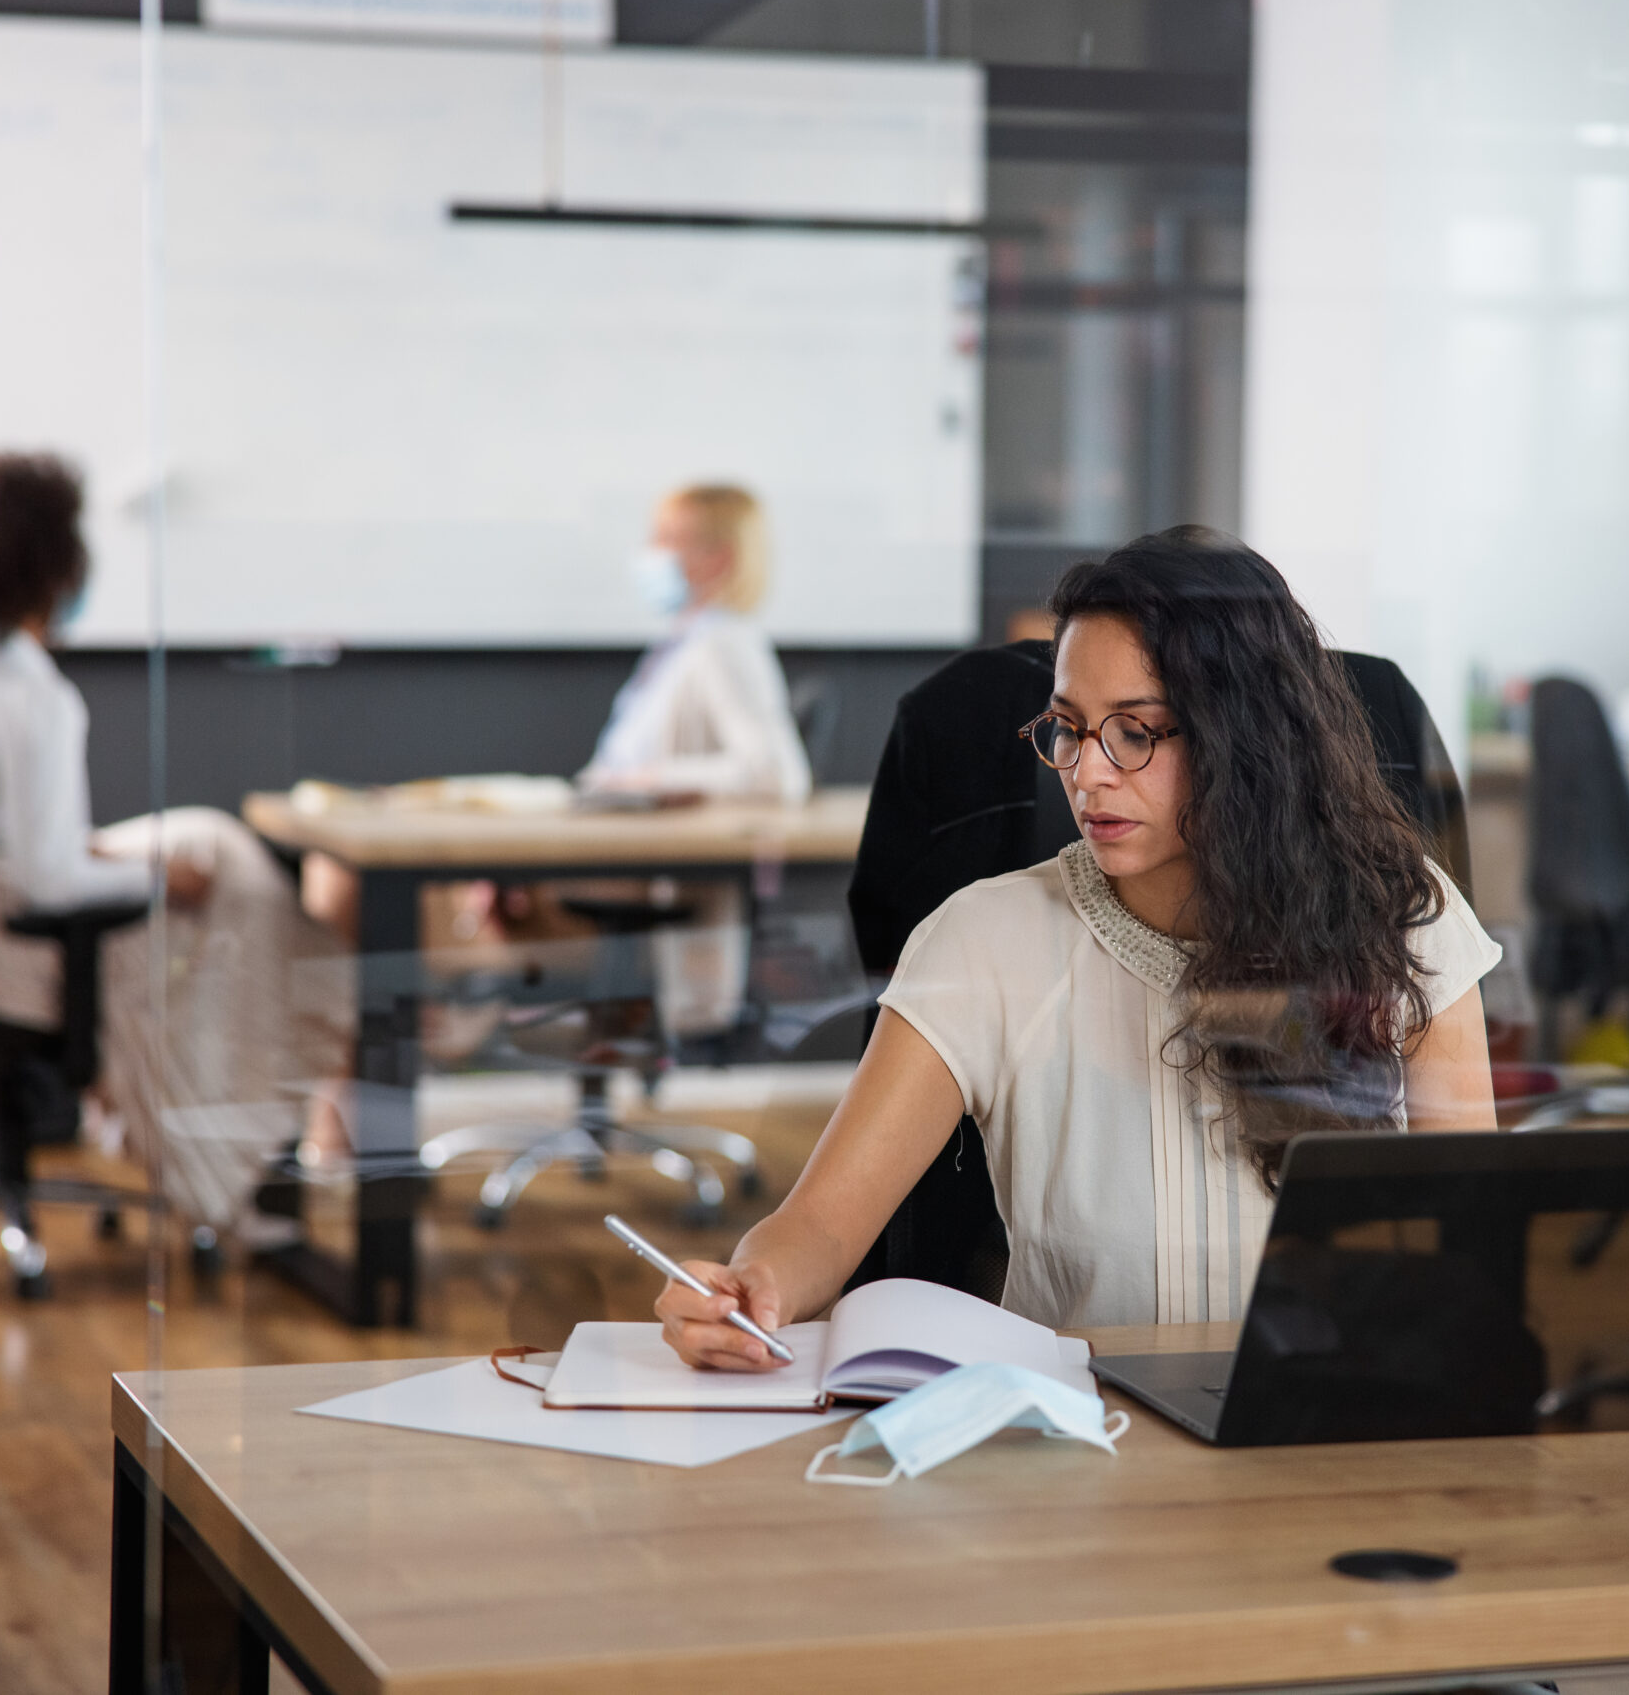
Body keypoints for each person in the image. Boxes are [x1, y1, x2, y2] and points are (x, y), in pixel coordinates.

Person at [659, 528, 1503, 1365]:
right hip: (1080, 1444)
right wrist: (755, 1283)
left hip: (1320, 1430)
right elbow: (819, 1226)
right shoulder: (984, 941)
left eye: (1136, 732)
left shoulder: (1403, 921)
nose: (1087, 773)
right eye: (1069, 728)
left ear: (1248, 740)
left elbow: (1475, 1245)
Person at [0, 452, 349, 1239]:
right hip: (14, 948)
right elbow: (47, 883)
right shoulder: (25, 694)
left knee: (213, 842)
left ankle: (229, 1139)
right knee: (227, 907)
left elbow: (10, 842)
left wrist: (146, 864)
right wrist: (163, 883)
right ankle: (224, 1172)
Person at [581, 484, 812, 804]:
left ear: (718, 559)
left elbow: (773, 772)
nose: (650, 552)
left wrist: (652, 779)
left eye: (667, 539)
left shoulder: (723, 644)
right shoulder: (680, 643)